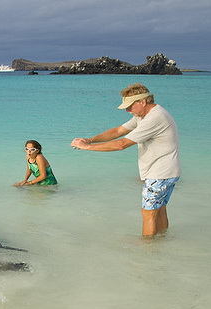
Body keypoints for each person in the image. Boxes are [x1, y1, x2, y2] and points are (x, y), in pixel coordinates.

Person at [70, 83, 180, 238]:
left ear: (142, 102)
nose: (128, 110)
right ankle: (162, 241)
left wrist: (87, 148)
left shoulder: (155, 118)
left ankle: (147, 248)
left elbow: (121, 144)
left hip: (160, 173)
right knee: (159, 209)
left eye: (129, 106)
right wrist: (90, 140)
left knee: (148, 212)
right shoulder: (143, 115)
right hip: (166, 171)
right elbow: (118, 131)